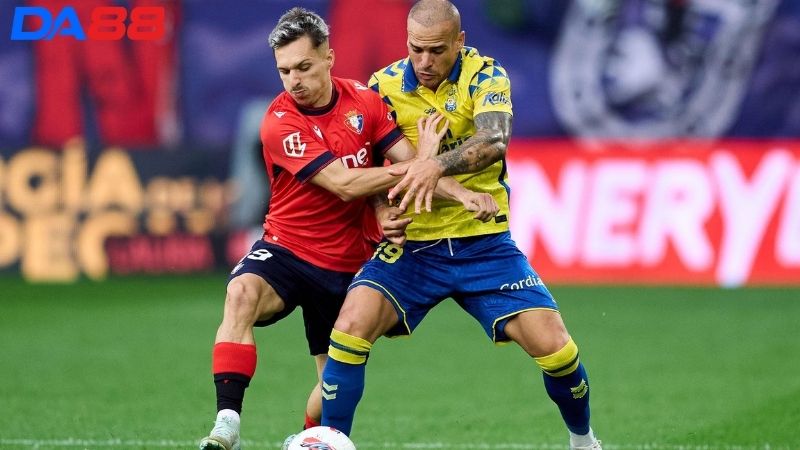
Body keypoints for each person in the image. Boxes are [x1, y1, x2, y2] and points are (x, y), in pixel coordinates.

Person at [198, 7, 498, 450]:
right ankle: (227, 425)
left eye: (303, 67)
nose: (293, 80)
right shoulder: (279, 121)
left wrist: (464, 194)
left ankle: (306, 440)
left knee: (332, 379)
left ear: (329, 57)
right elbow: (343, 184)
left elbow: (411, 162)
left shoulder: (365, 101)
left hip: (347, 264)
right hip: (288, 248)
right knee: (240, 294)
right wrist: (424, 164)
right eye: (284, 71)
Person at [319, 1, 602, 449]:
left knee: (558, 349)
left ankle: (583, 441)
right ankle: (332, 442)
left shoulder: (487, 76)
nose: (424, 62)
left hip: (483, 244)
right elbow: (366, 160)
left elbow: (493, 139)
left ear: (460, 42)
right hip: (414, 246)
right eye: (416, 50)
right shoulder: (383, 86)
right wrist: (377, 208)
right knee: (350, 325)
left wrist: (433, 165)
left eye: (436, 51)